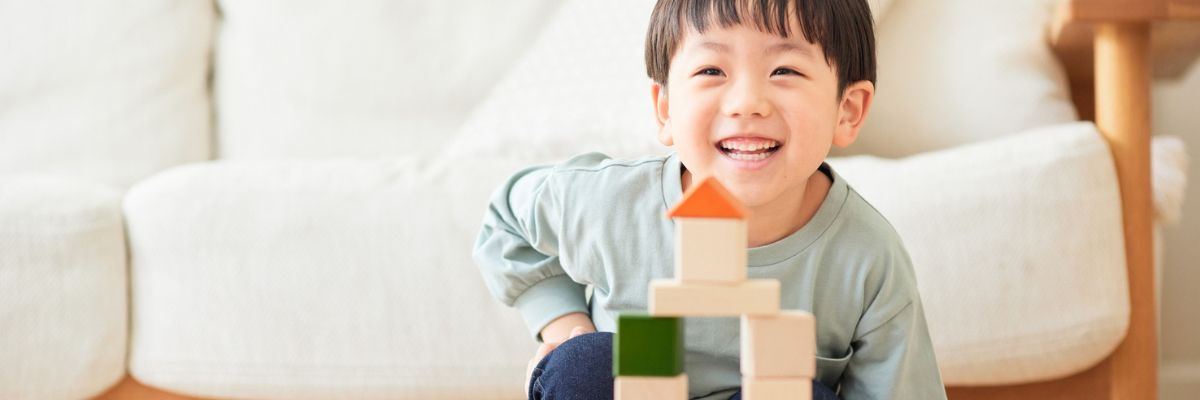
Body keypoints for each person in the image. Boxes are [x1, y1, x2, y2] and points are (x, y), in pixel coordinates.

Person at [473, 0, 946, 398]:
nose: (746, 102)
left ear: (847, 110)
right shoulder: (613, 203)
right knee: (584, 362)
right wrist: (562, 323)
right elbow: (507, 221)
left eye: (784, 69)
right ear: (666, 109)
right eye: (711, 69)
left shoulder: (868, 257)